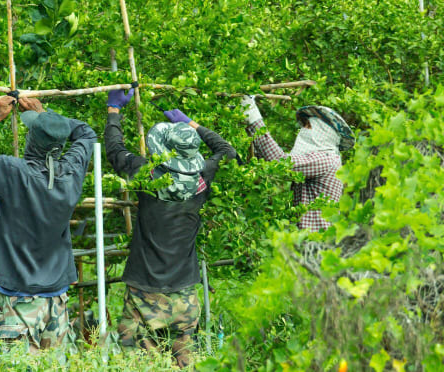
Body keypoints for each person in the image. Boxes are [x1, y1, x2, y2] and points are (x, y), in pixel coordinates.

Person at [104, 88, 237, 367]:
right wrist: (191, 124)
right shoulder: (203, 175)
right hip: (185, 292)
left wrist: (114, 111)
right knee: (185, 362)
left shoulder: (145, 173)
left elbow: (115, 151)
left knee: (140, 361)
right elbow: (226, 150)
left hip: (144, 291)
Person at [0, 95, 96, 352]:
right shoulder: (72, 171)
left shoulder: (14, 172)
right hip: (57, 295)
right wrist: (46, 114)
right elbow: (86, 133)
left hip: (19, 296)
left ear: (32, 140)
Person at [240, 96, 354, 231]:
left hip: (315, 243)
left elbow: (279, 162)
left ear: (323, 132)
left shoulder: (327, 159)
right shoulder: (325, 157)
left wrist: (253, 117)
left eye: (308, 126)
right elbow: (268, 159)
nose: (303, 130)